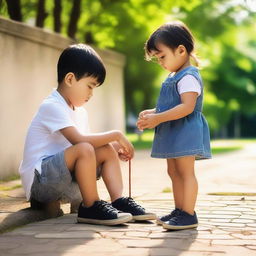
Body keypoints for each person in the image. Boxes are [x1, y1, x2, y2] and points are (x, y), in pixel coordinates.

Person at [19, 44, 156, 226]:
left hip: (64, 181)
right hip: (41, 183)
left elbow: (91, 149)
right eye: (90, 86)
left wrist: (114, 148)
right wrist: (116, 135)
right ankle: (91, 206)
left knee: (106, 149)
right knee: (85, 148)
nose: (91, 94)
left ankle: (119, 201)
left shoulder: (80, 112)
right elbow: (81, 143)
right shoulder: (52, 105)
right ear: (70, 79)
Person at [137, 21, 211, 230]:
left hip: (185, 130)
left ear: (181, 50)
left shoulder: (188, 76)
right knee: (173, 171)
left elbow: (187, 107)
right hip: (173, 129)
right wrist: (153, 112)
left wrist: (158, 118)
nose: (160, 62)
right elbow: (172, 105)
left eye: (162, 56)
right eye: (157, 58)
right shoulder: (174, 76)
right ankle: (180, 210)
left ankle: (188, 213)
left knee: (185, 171)